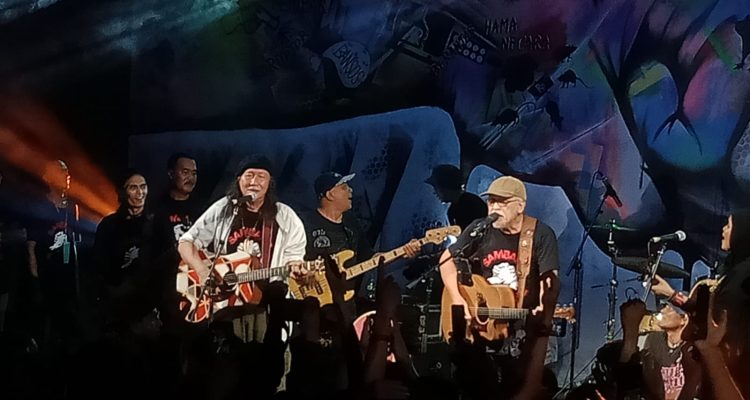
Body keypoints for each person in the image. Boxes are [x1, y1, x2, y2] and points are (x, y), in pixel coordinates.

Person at [438, 175, 560, 398]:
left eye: (502, 202)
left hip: (522, 332)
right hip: (485, 334)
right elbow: (446, 260)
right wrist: (458, 299)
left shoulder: (540, 234)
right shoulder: (481, 229)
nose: (494, 207)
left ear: (520, 206)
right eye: (491, 201)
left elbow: (549, 282)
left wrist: (544, 313)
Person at [177, 155, 307, 343]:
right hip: (224, 302)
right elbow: (186, 242)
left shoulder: (286, 216)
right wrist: (202, 270)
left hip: (268, 302)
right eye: (249, 175)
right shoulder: (225, 208)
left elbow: (294, 257)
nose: (254, 182)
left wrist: (297, 268)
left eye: (261, 177)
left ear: (269, 183)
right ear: (239, 180)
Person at [651, 209, 750, 399]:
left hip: (731, 368)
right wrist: (672, 295)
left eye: (729, 225)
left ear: (742, 232)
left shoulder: (742, 274)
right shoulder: (734, 270)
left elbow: (723, 316)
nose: (723, 229)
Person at [93, 170, 156, 329]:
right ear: (122, 192)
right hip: (117, 301)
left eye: (143, 187)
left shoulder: (156, 223)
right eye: (133, 188)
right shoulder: (109, 226)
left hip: (149, 301)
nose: (140, 193)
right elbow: (100, 264)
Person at [425, 164, 486, 230]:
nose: (434, 192)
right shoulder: (452, 210)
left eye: (436, 188)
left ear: (446, 187)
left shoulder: (472, 205)